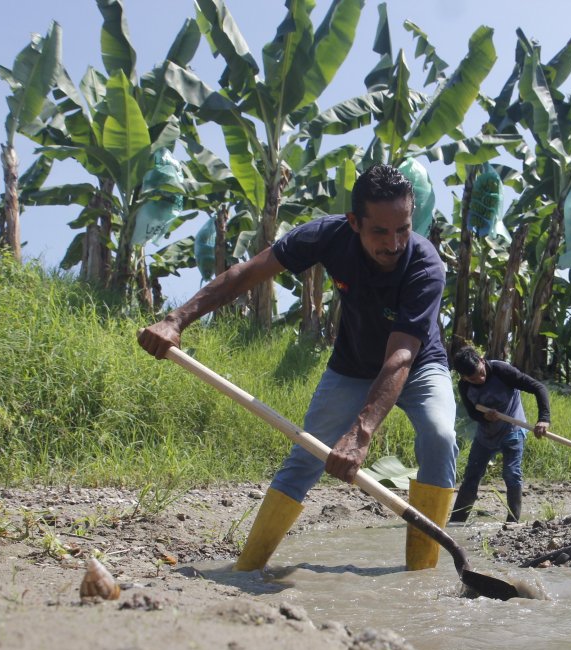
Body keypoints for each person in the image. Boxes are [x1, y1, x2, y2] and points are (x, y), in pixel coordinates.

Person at [138, 164, 458, 572]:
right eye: (380, 232)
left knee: (440, 435)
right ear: (354, 223)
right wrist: (176, 319)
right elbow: (245, 274)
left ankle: (420, 577)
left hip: (417, 364)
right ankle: (247, 569)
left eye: (404, 229)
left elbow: (400, 357)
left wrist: (361, 434)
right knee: (306, 456)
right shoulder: (326, 236)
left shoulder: (425, 265)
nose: (394, 244)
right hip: (353, 365)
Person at [450, 345, 550, 523]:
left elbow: (538, 387)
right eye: (473, 378)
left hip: (512, 431)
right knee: (472, 475)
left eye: (480, 373)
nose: (480, 379)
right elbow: (473, 413)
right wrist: (484, 416)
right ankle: (457, 521)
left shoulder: (502, 371)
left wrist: (544, 419)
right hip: (485, 436)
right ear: (464, 377)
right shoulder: (464, 386)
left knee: (511, 473)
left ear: (481, 360)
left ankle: (512, 522)